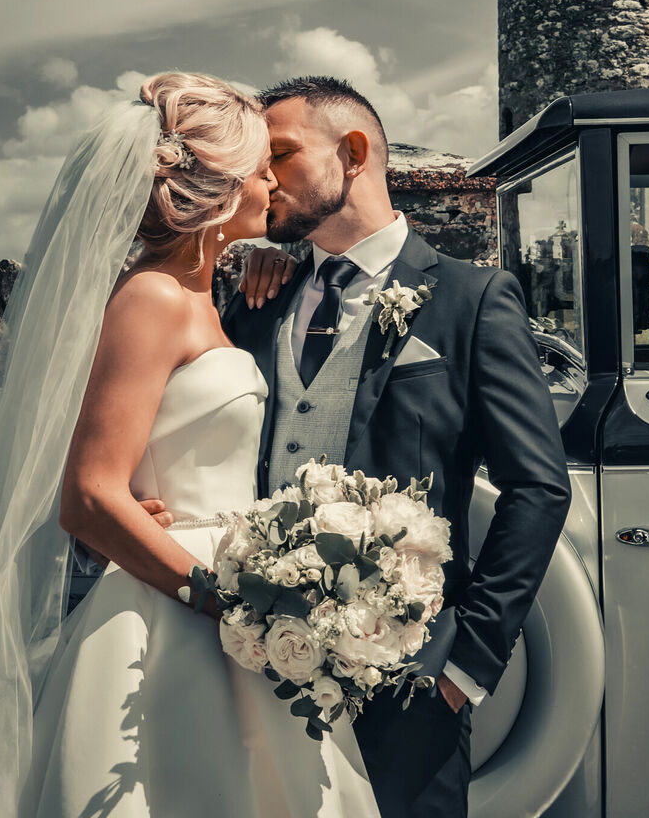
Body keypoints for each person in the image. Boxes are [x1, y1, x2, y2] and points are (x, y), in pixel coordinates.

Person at [0, 71, 379, 818]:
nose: (273, 182)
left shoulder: (201, 290)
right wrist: (222, 600)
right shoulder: (153, 298)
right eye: (262, 167)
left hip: (228, 603)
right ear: (221, 184)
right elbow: (89, 495)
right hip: (177, 615)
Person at [222, 76, 572, 817]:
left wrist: (466, 663)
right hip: (247, 666)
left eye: (278, 155)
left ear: (352, 153)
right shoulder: (256, 297)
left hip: (407, 675)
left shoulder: (472, 299)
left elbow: (537, 487)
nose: (259, 179)